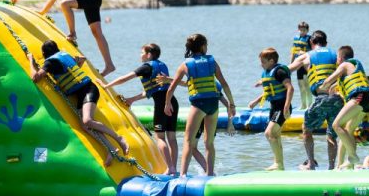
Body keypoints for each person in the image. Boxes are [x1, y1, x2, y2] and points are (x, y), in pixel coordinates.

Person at [11, 0, 115, 75]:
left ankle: (72, 33)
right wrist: (41, 12)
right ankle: (109, 65)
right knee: (96, 32)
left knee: (65, 3)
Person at [30, 40, 127, 166]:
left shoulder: (50, 62)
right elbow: (81, 59)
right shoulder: (64, 55)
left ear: (44, 53)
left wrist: (30, 61)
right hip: (81, 93)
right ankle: (111, 148)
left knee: (87, 120)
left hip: (88, 89)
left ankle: (119, 138)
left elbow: (35, 78)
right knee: (85, 126)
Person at [165, 33, 235, 176]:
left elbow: (172, 87)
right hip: (213, 105)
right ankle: (209, 174)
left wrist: (167, 104)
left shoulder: (185, 65)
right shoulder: (212, 62)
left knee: (188, 141)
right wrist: (232, 104)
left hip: (198, 105)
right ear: (203, 46)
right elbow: (224, 84)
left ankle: (183, 175)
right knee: (209, 143)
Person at [106, 43, 179, 175]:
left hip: (162, 104)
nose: (140, 55)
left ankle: (170, 169)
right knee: (172, 137)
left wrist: (106, 85)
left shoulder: (146, 67)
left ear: (149, 54)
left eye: (142, 52)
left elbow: (124, 78)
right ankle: (174, 167)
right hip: (172, 101)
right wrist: (132, 99)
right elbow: (152, 91)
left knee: (160, 137)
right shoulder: (162, 65)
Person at [287, 30, 340, 170]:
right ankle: (332, 167)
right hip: (338, 99)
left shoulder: (307, 55)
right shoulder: (336, 55)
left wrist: (268, 78)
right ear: (326, 43)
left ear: (311, 43)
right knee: (332, 134)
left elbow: (288, 70)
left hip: (321, 98)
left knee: (307, 128)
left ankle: (310, 163)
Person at [319, 45, 369, 169]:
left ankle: (353, 156)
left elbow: (328, 81)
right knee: (348, 129)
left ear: (341, 57)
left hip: (358, 98)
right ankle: (349, 164)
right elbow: (337, 84)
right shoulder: (351, 68)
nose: (336, 60)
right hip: (367, 101)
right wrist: (333, 87)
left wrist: (322, 87)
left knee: (336, 125)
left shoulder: (344, 65)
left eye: (337, 57)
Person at [248, 48, 293, 171]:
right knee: (276, 135)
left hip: (282, 106)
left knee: (269, 133)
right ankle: (279, 164)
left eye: (263, 62)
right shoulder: (267, 72)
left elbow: (290, 88)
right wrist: (255, 102)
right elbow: (269, 92)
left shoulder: (279, 72)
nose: (261, 64)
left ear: (271, 61)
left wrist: (286, 107)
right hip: (274, 107)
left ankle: (278, 163)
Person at [290, 21, 311, 110]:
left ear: (307, 30)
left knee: (307, 85)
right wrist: (291, 64)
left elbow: (312, 53)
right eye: (301, 30)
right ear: (298, 30)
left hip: (306, 64)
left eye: (304, 30)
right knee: (300, 85)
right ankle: (303, 104)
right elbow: (293, 52)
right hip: (298, 64)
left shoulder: (309, 39)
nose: (302, 32)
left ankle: (309, 105)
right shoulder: (295, 38)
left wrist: (304, 52)